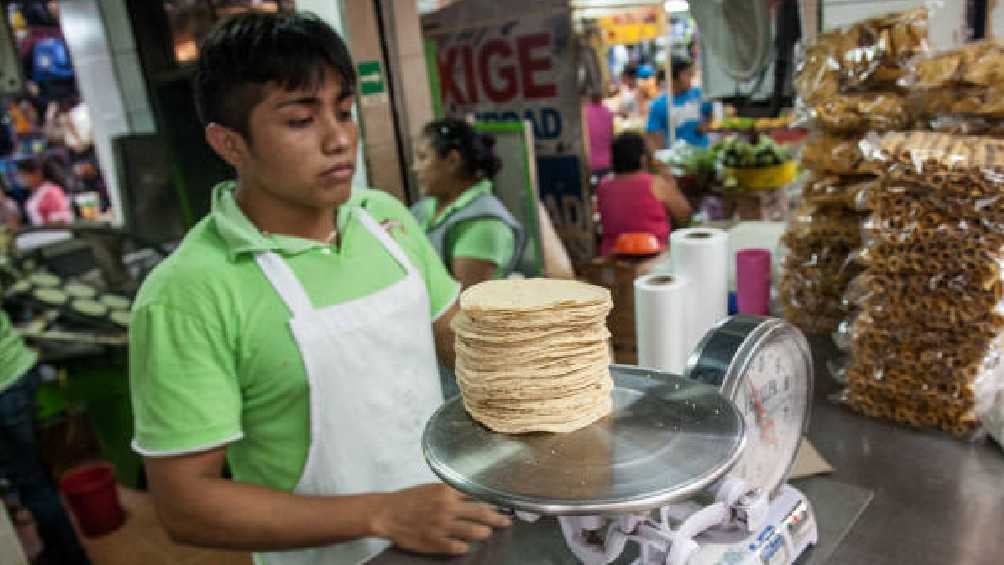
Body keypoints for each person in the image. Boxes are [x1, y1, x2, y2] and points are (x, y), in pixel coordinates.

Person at [128, 13, 510, 565]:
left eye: (345, 112)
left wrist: (550, 383)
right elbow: (186, 504)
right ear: (229, 143)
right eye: (301, 120)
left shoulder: (385, 221)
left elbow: (458, 341)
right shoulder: (187, 294)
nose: (339, 140)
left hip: (456, 523)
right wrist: (383, 513)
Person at [0, 310, 92, 565]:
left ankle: (71, 558)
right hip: (17, 371)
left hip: (3, 391)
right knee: (36, 477)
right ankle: (57, 549)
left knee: (32, 484)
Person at [410, 118, 525, 288]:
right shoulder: (423, 209)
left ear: (452, 161)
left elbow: (465, 301)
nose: (415, 168)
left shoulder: (485, 223)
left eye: (423, 158)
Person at [596, 132, 692, 255]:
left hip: (612, 255)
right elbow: (684, 215)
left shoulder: (603, 186)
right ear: (642, 158)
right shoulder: (656, 183)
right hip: (653, 255)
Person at [646, 56, 713, 148]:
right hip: (675, 157)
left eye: (690, 73)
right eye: (686, 74)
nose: (690, 77)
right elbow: (652, 134)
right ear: (673, 79)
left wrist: (705, 125)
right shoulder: (659, 105)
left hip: (702, 153)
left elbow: (708, 112)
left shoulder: (698, 94)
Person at [16, 157, 73, 225]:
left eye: (24, 175)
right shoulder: (36, 192)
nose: (22, 179)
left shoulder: (52, 192)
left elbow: (62, 220)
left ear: (37, 174)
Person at [584, 90, 614, 183]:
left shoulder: (584, 112)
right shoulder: (608, 111)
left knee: (593, 189)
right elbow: (611, 136)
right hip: (607, 162)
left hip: (590, 163)